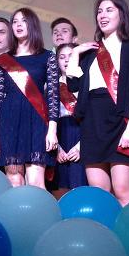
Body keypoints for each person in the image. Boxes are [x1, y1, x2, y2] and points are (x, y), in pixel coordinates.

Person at [67, 0, 129, 205]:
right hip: (92, 123)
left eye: (109, 10)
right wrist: (75, 54)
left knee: (123, 190)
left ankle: (128, 228)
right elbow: (74, 87)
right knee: (99, 194)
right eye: (100, 11)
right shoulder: (91, 52)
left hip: (121, 121)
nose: (103, 15)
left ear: (122, 14)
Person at [0, 8, 59, 188]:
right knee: (14, 180)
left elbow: (53, 95)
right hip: (9, 121)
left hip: (37, 121)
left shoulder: (47, 57)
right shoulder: (3, 60)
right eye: (15, 21)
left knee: (36, 182)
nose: (18, 25)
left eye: (23, 21)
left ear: (32, 24)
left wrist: (52, 130)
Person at [54, 43, 87, 190]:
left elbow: (92, 118)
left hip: (82, 135)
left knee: (80, 185)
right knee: (60, 187)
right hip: (59, 136)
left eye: (71, 56)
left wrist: (81, 146)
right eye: (62, 57)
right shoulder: (51, 86)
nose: (66, 60)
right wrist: (56, 148)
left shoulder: (86, 84)